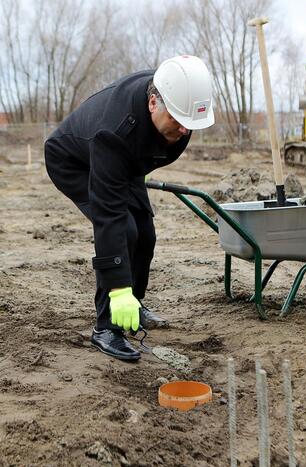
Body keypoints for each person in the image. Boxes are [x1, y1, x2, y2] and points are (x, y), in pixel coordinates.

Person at [44, 56, 215, 361]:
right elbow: (108, 220)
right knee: (124, 229)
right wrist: (118, 289)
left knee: (145, 233)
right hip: (75, 162)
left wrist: (130, 295)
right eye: (177, 120)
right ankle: (107, 327)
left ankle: (135, 303)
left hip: (127, 160)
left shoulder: (173, 88)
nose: (185, 131)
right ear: (153, 103)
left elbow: (147, 152)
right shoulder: (113, 133)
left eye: (190, 124)